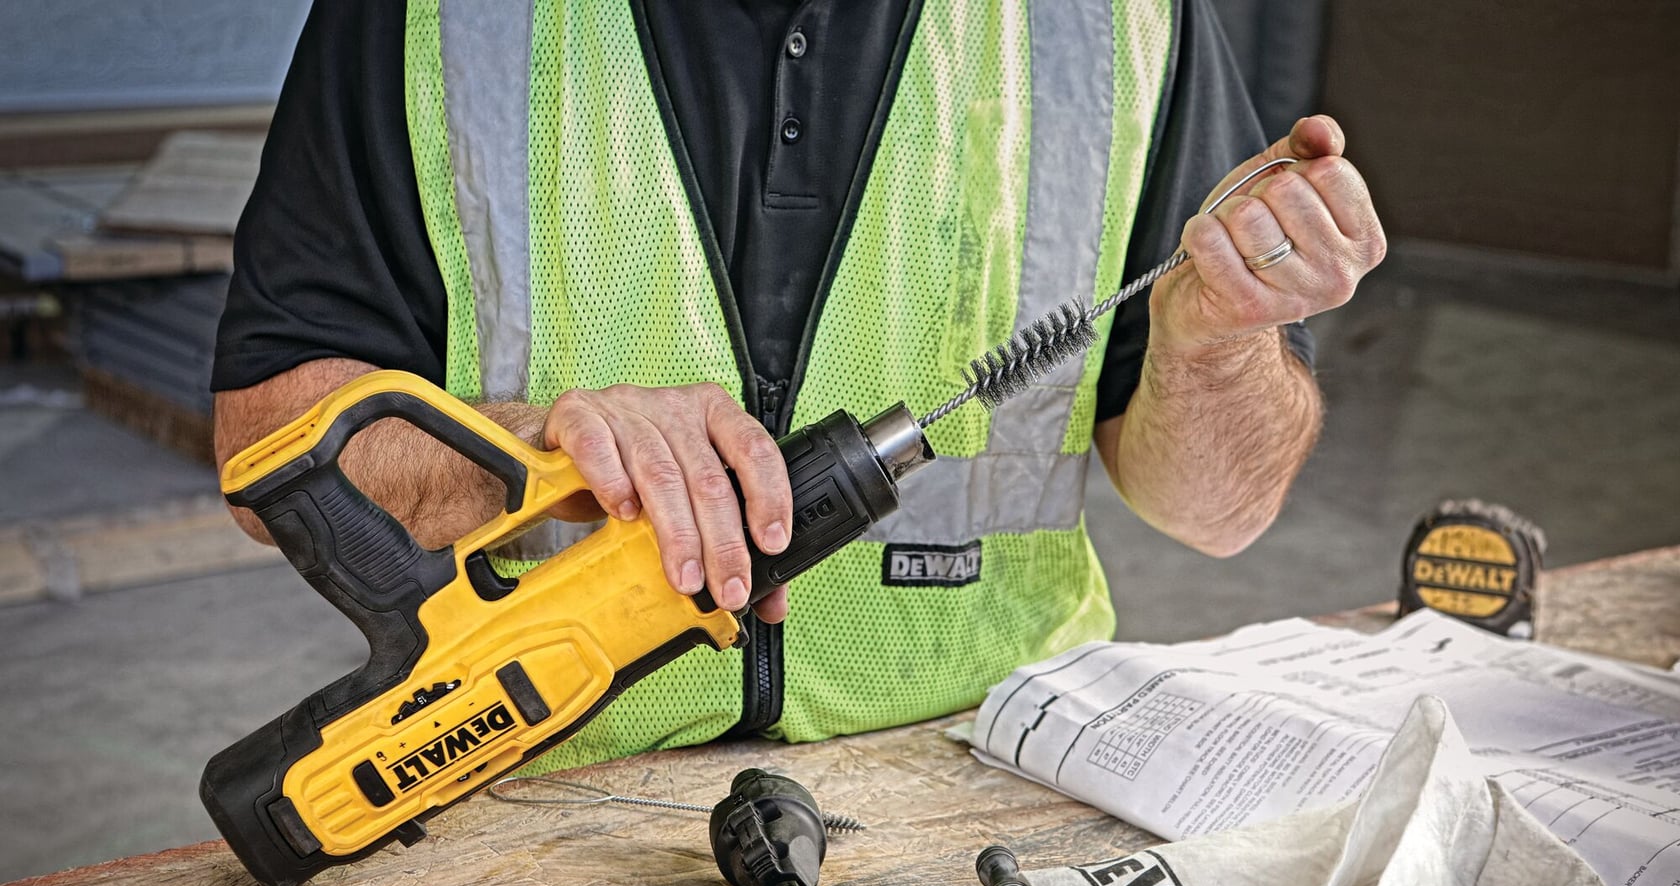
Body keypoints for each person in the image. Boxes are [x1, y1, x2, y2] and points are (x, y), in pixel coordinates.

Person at [211, 0, 1385, 769]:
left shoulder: (1109, 21)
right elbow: (268, 446)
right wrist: (541, 449)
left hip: (993, 771)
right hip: (553, 770)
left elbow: (1216, 511)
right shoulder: (440, 17)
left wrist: (1219, 335)